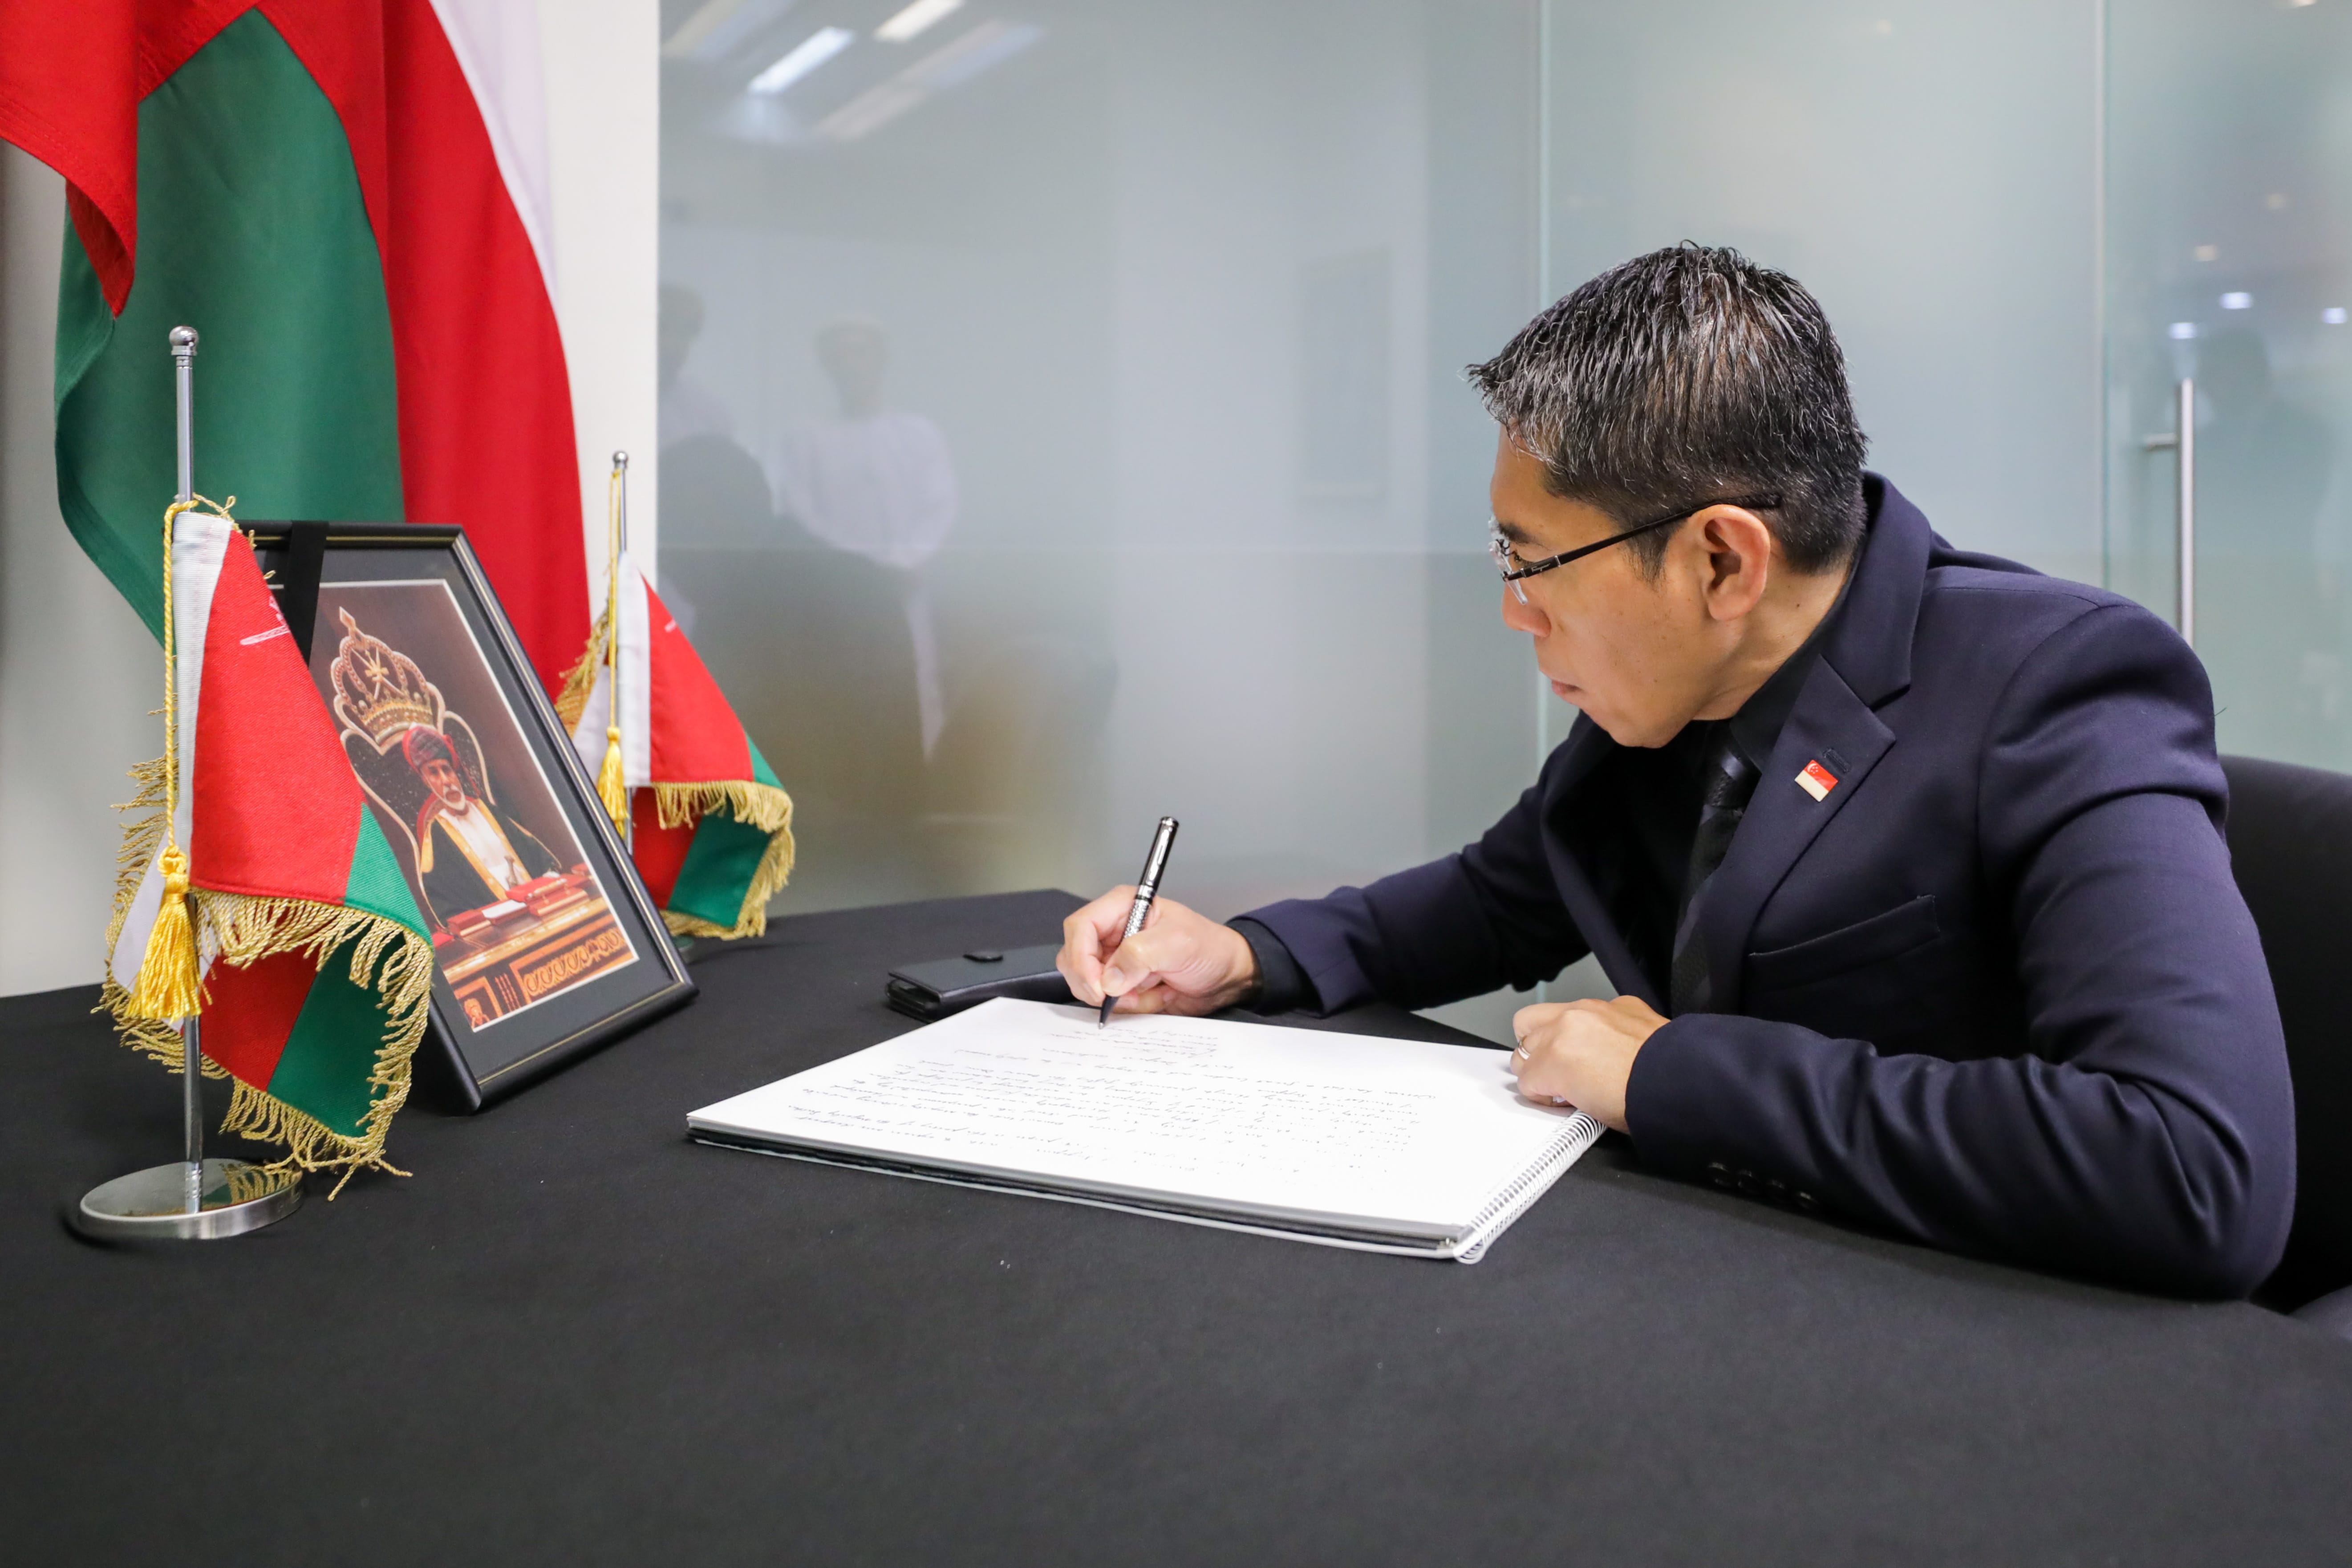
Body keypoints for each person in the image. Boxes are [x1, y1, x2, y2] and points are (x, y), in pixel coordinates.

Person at [1057, 244, 2296, 1298]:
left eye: (1527, 558)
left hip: (1968, 1345)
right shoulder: (1679, 692)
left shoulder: (2058, 687)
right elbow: (1504, 892)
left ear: (1719, 560)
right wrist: (1248, 955)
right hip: (1724, 1280)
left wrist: (1669, 1075)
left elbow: (2192, 1167)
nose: (1513, 611)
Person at [403, 726, 560, 926]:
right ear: (426, 782)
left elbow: (538, 855)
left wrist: (549, 881)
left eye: (447, 770)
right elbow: (446, 906)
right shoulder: (437, 837)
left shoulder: (487, 810)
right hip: (499, 927)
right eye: (434, 773)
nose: (446, 781)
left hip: (541, 908)